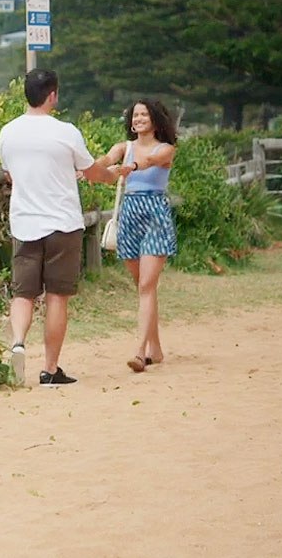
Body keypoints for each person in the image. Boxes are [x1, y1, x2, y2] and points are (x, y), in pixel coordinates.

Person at [0, 69, 115, 387]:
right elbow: (92, 172)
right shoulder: (66, 132)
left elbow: (9, 174)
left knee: (23, 293)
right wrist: (113, 175)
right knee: (57, 296)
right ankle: (50, 369)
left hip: (25, 222)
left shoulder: (8, 132)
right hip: (62, 223)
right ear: (53, 95)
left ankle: (18, 343)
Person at [95, 100, 178, 373]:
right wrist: (92, 169)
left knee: (146, 285)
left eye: (144, 114)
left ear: (155, 119)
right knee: (143, 287)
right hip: (130, 214)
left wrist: (131, 167)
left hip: (155, 213)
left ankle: (140, 353)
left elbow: (152, 161)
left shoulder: (165, 148)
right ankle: (156, 349)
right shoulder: (123, 147)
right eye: (135, 115)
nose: (139, 118)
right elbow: (107, 161)